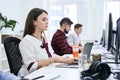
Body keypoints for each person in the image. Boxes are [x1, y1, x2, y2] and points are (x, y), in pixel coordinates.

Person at [18, 8, 75, 77]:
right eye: (44, 20)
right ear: (34, 22)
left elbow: (52, 55)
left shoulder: (44, 38)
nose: (47, 22)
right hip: (31, 75)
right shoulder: (26, 41)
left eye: (47, 20)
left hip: (45, 71)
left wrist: (65, 60)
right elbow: (31, 66)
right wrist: (53, 60)